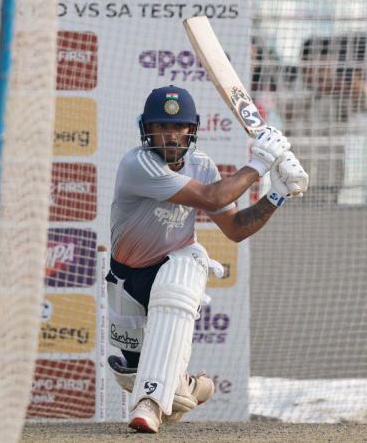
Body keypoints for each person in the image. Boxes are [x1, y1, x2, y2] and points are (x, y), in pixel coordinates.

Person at [105, 86, 308, 433]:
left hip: (177, 259)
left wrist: (278, 194)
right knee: (135, 374)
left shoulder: (201, 165)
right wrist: (260, 163)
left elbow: (236, 228)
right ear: (146, 129)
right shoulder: (137, 164)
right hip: (127, 277)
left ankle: (149, 403)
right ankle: (189, 386)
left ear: (191, 129)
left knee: (178, 282)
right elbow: (212, 198)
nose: (170, 135)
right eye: (161, 127)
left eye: (178, 127)